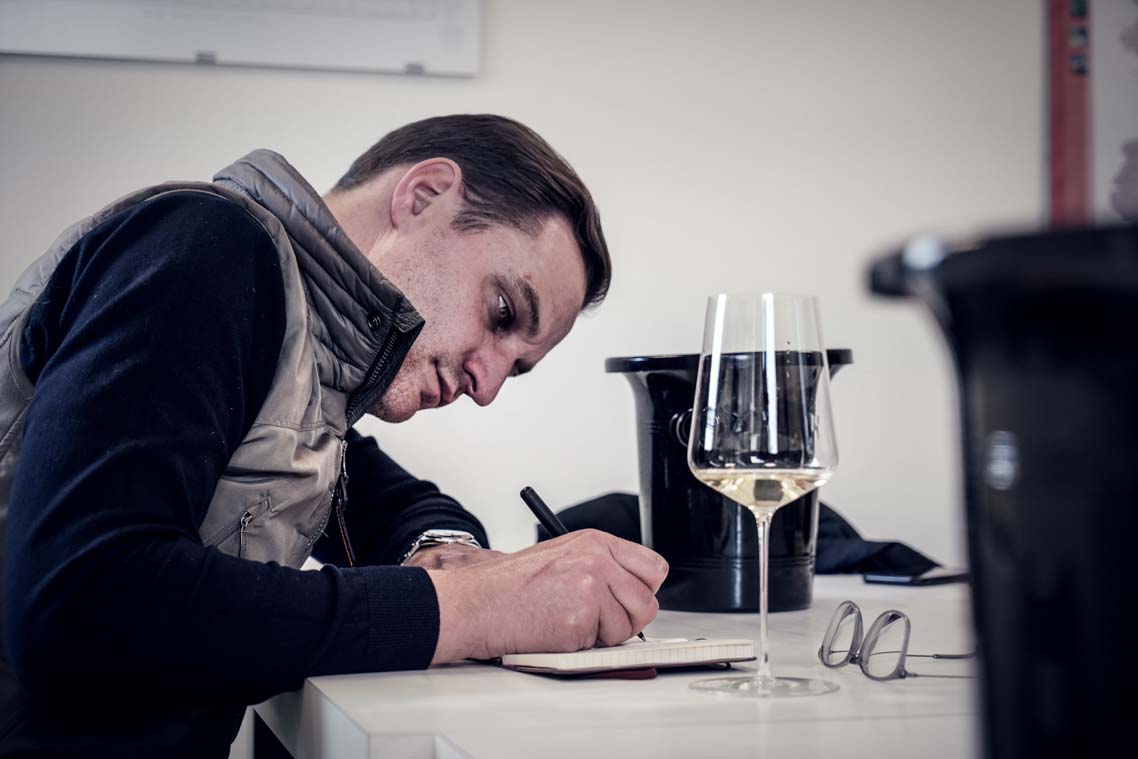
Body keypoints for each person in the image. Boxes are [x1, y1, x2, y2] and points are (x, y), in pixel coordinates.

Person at [0, 114, 668, 757]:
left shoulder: (311, 383)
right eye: (501, 312)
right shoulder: (209, 248)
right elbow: (80, 603)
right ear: (423, 195)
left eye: (516, 368)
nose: (487, 386)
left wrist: (449, 555)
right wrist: (470, 608)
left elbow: (396, 503)